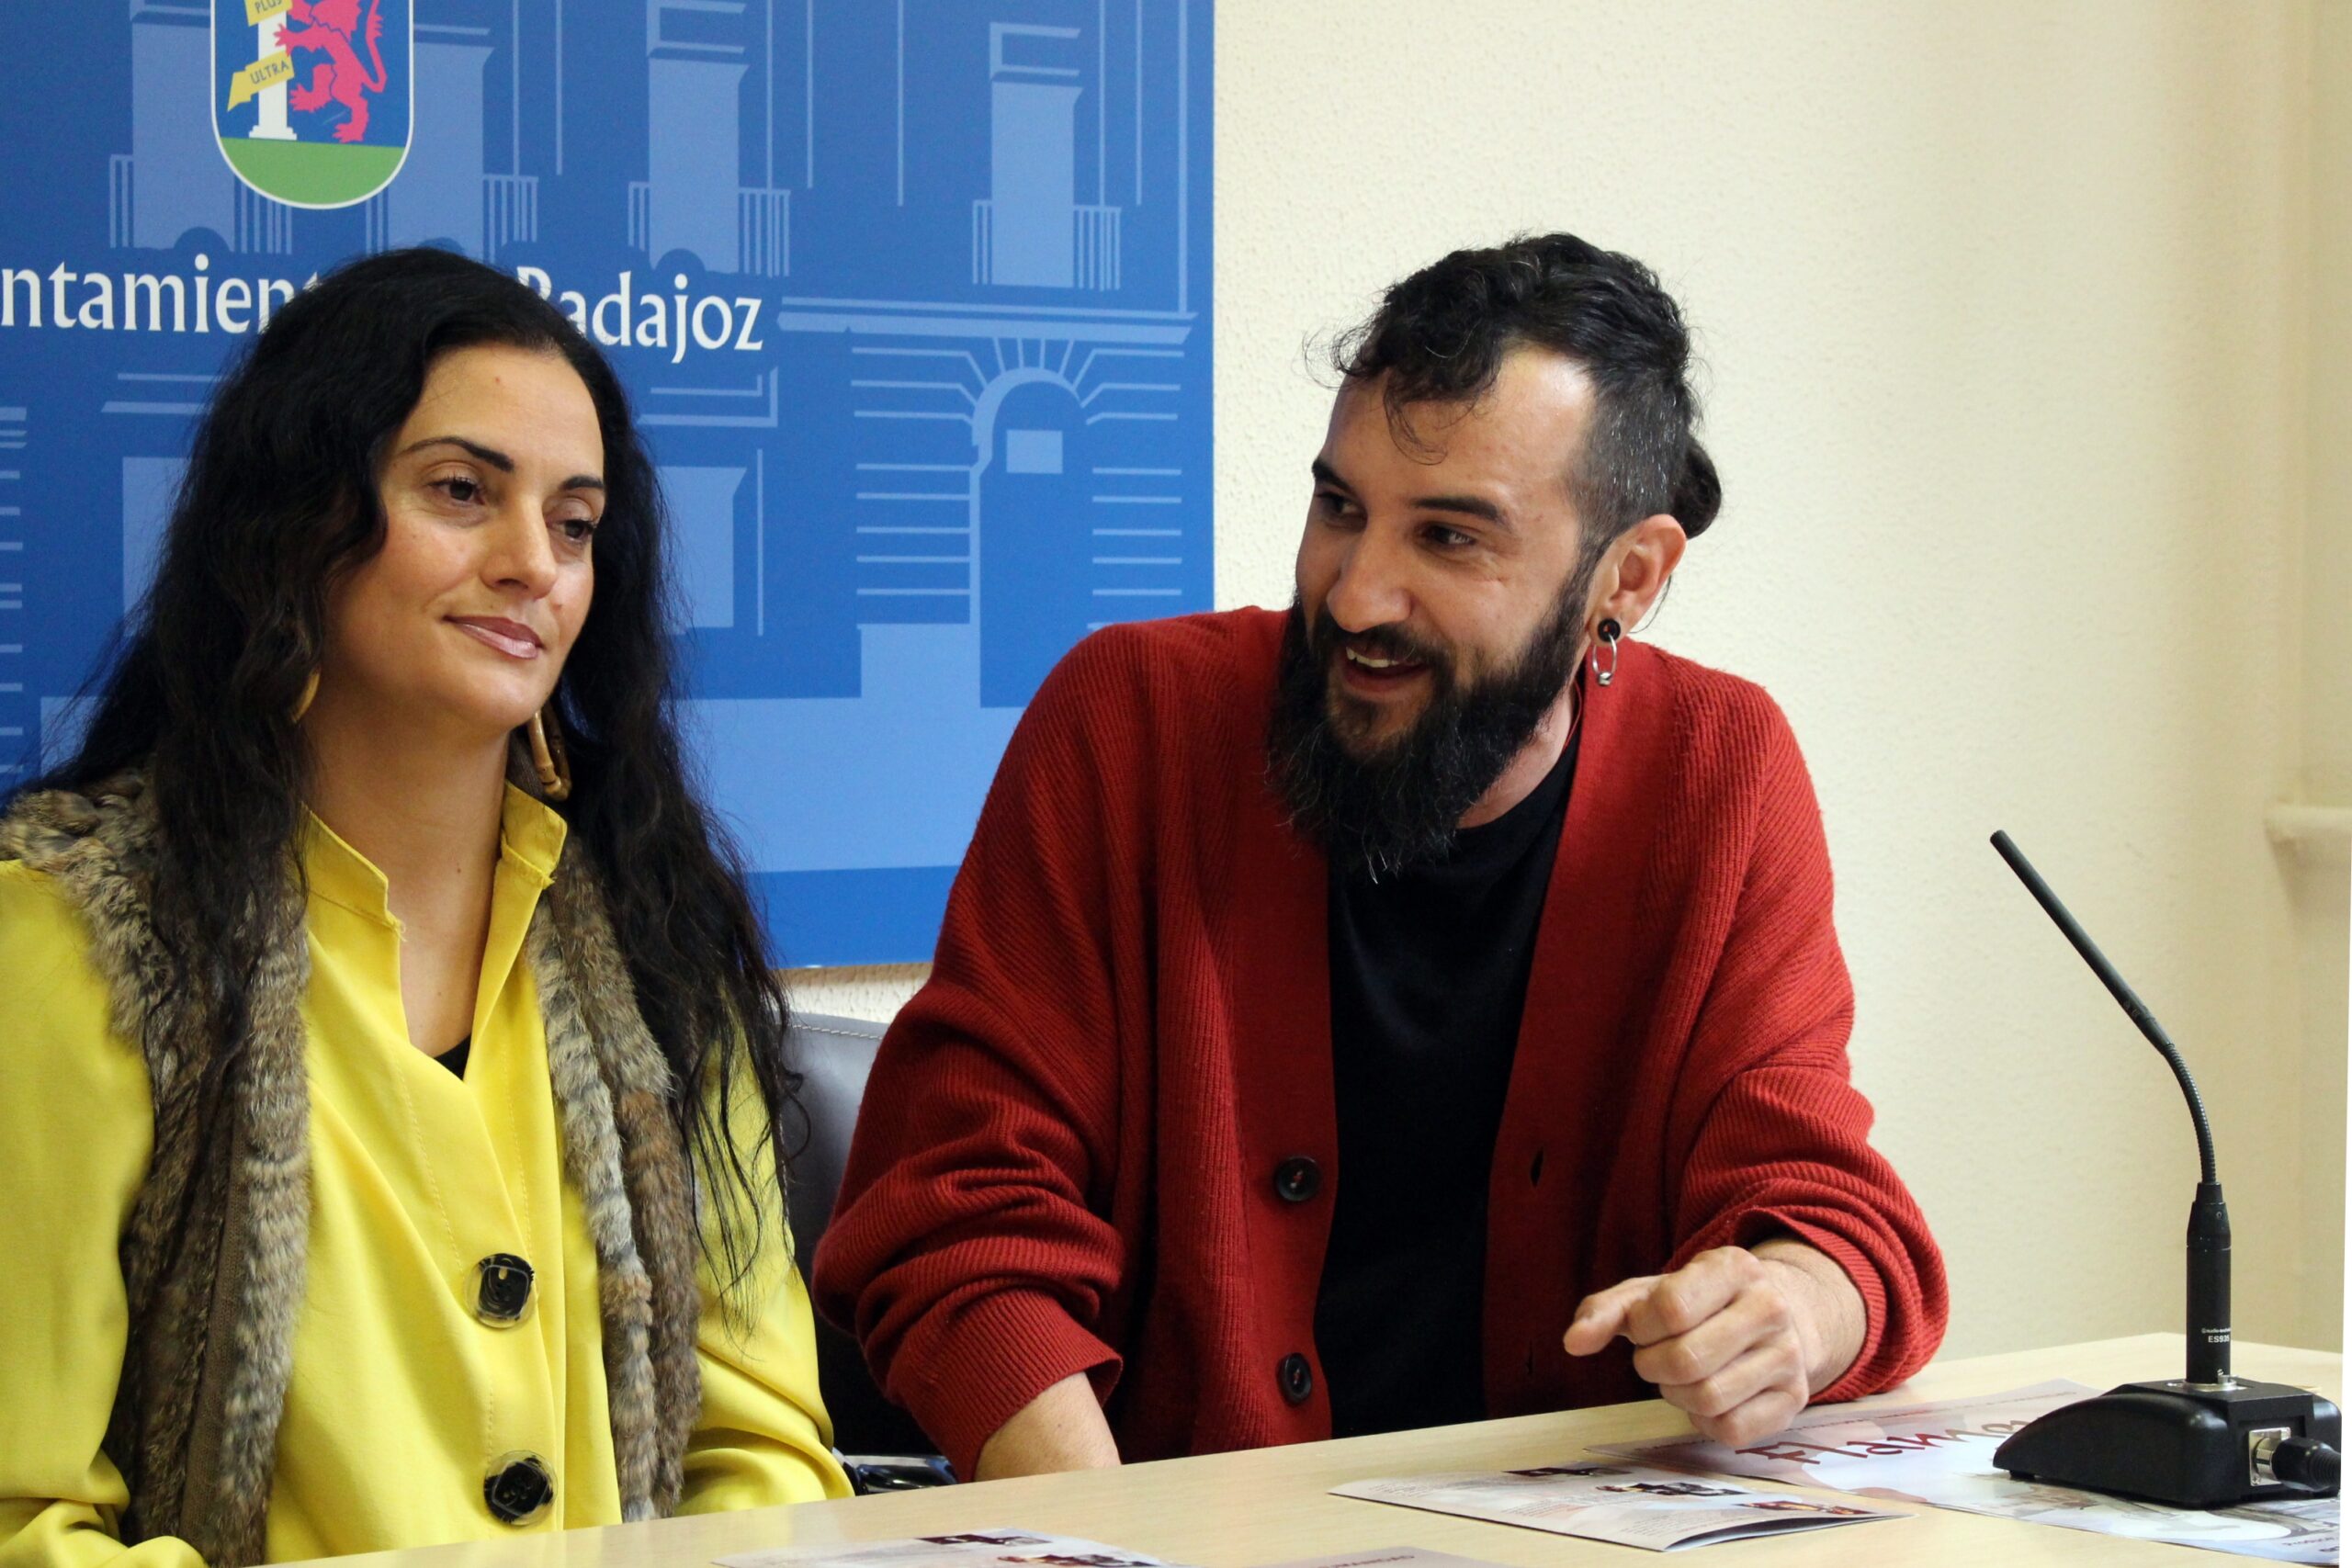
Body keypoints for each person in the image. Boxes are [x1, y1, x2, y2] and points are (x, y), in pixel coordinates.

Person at [812, 233, 1947, 1483]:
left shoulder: (1719, 773)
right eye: (1340, 509)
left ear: (1625, 578)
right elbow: (959, 1223)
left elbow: (1829, 1212)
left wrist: (1786, 1313)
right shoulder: (1131, 724)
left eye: (1450, 540)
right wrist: (1121, 1544)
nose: (1355, 596)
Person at [0, 248, 848, 1566]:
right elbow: (25, 1516)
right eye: (462, 492)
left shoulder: (658, 942)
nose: (533, 565)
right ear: (293, 526)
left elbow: (766, 1459)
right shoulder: (72, 938)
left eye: (575, 524)